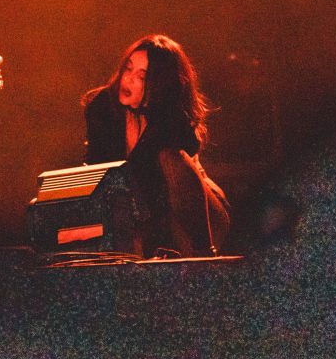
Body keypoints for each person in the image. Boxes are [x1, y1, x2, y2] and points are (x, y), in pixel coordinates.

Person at [83, 34, 230, 257]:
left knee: (170, 159)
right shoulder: (103, 108)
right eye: (128, 69)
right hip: (142, 216)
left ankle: (204, 257)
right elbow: (98, 169)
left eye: (141, 76)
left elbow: (176, 168)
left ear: (159, 85)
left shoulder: (169, 116)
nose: (128, 79)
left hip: (199, 219)